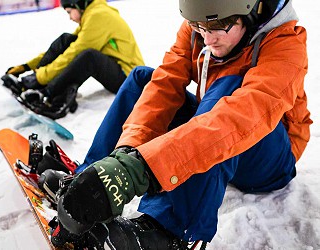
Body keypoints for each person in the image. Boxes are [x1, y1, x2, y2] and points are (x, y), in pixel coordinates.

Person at [41, 0, 311, 248]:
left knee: (228, 88)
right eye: (198, 25)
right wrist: (125, 159)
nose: (206, 37)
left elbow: (242, 116)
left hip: (270, 158)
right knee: (144, 80)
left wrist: (141, 169)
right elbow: (165, 85)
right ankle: (92, 178)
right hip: (221, 128)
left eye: (216, 26)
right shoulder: (200, 25)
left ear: (252, 10)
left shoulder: (286, 43)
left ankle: (168, 227)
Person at [2, 0, 144, 119]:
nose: (70, 17)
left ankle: (48, 93)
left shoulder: (99, 16)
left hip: (129, 79)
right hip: (117, 71)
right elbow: (68, 48)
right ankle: (34, 85)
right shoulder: (93, 14)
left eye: (69, 12)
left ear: (77, 4)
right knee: (66, 40)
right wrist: (27, 66)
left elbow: (75, 53)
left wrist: (41, 78)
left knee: (89, 57)